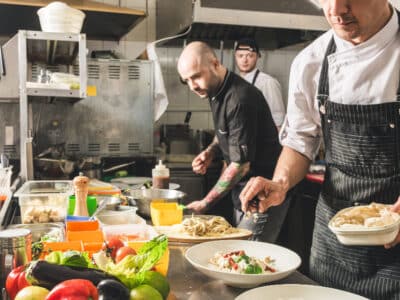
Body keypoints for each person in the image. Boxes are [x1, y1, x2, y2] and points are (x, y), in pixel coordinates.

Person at [239, 0, 400, 299]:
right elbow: (300, 140)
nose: (336, 9)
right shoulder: (311, 61)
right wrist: (280, 182)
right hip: (334, 243)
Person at [177, 41, 286, 242]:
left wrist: (205, 203)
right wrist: (211, 152)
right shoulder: (214, 90)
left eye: (196, 76)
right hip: (243, 192)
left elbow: (240, 165)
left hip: (262, 195)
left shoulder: (239, 99)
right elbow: (225, 131)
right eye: (187, 80)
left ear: (215, 64)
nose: (192, 86)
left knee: (250, 259)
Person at [235, 38, 286, 131]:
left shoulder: (268, 82)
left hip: (261, 141)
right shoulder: (234, 83)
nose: (244, 60)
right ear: (235, 57)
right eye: (240, 56)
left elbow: (278, 121)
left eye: (250, 56)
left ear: (258, 56)